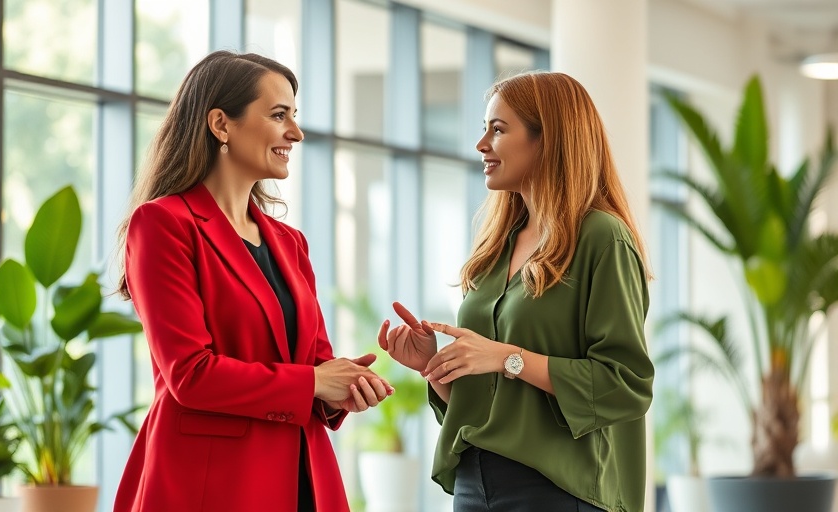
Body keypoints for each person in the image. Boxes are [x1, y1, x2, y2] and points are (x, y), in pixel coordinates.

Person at [112, 51, 391, 512]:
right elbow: (190, 374)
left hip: (303, 475)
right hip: (212, 483)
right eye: (279, 115)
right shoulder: (163, 224)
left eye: (294, 116)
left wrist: (343, 388)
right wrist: (314, 382)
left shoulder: (290, 242)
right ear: (221, 124)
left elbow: (313, 362)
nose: (296, 132)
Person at [378, 71, 654, 512]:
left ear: (548, 139)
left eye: (498, 129)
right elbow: (488, 400)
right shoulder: (496, 247)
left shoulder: (603, 238)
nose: (481, 144)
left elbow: (626, 385)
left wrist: (509, 358)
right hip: (475, 484)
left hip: (559, 489)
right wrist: (436, 366)